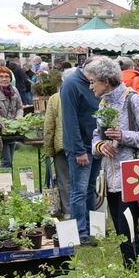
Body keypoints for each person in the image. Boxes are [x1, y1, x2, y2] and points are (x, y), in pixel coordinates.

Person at [87, 57, 139, 267]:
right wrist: (100, 147)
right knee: (120, 230)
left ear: (107, 81)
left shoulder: (133, 100)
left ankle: (136, 277)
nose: (91, 87)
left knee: (128, 231)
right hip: (111, 179)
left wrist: (122, 136)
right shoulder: (103, 103)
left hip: (132, 176)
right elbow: (96, 137)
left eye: (93, 82)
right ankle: (131, 277)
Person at [61, 57, 104, 245]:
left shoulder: (91, 83)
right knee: (79, 190)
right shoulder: (72, 84)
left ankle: (92, 228)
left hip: (94, 145)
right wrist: (79, 151)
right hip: (81, 147)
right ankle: (80, 232)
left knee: (90, 188)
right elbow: (70, 121)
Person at [38, 69, 70, 216]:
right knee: (83, 180)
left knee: (64, 180)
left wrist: (49, 150)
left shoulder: (55, 98)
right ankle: (87, 212)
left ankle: (68, 211)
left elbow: (49, 126)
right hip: (83, 146)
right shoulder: (87, 94)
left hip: (62, 145)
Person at [0, 66, 24, 169]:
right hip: (0, 131)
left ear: (10, 78)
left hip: (13, 130)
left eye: (7, 76)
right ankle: (5, 185)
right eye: (1, 76)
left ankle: (9, 184)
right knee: (6, 161)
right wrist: (1, 123)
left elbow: (20, 107)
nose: (4, 79)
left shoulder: (14, 90)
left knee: (10, 161)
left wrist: (18, 119)